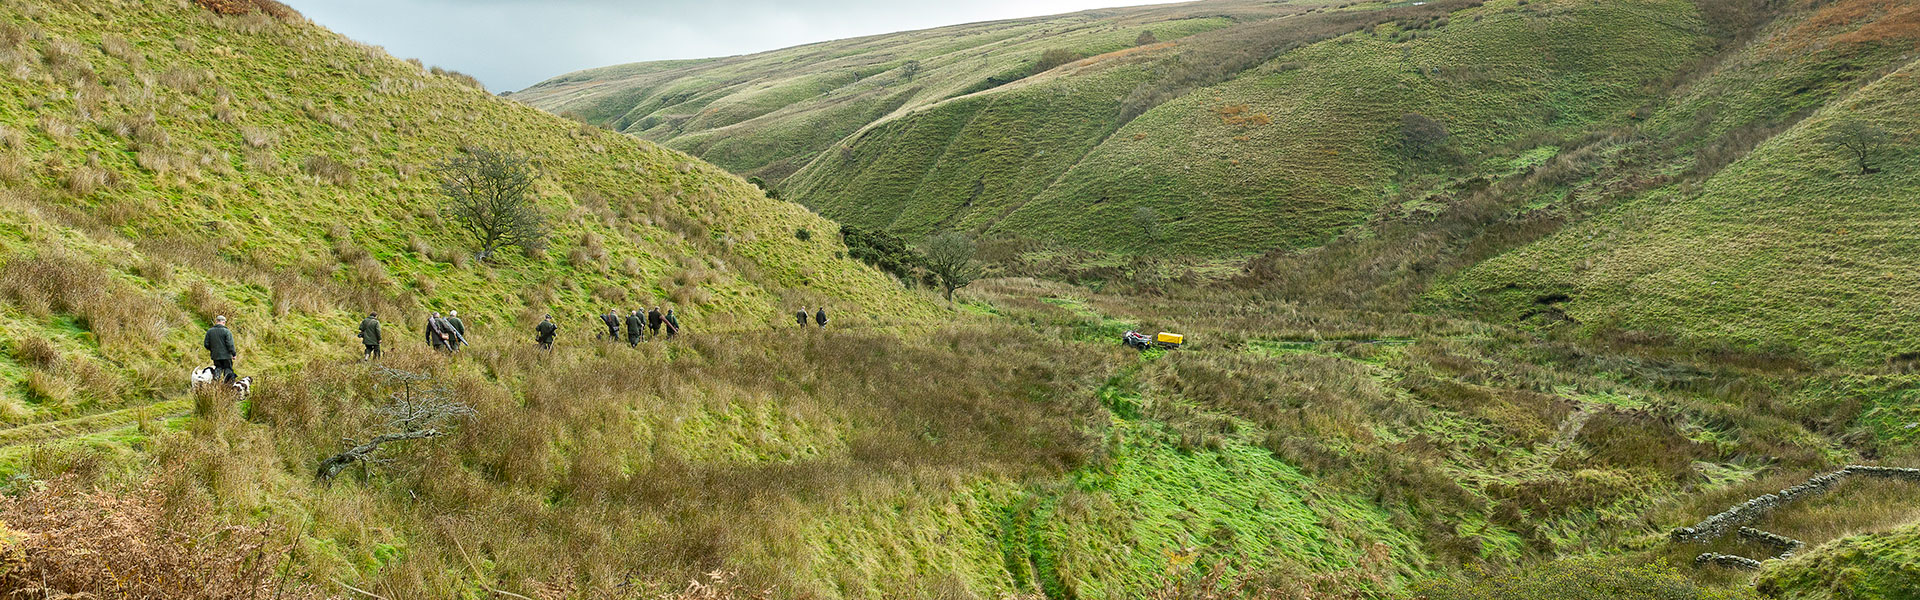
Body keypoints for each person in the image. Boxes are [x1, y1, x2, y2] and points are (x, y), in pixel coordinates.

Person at [204, 315, 238, 384]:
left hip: (215, 355)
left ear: (216, 321)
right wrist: (234, 354)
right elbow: (230, 344)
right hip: (226, 356)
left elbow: (206, 344)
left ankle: (215, 384)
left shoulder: (209, 331)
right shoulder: (226, 331)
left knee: (218, 368)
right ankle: (227, 386)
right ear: (224, 322)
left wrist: (213, 350)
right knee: (228, 369)